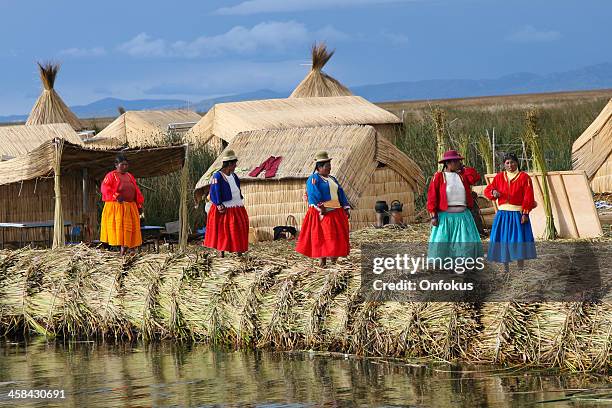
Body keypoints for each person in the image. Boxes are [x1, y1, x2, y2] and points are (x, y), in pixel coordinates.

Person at [427, 150, 483, 267]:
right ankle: (444, 269)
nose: (459, 163)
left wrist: (464, 168)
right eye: (456, 161)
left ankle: (463, 266)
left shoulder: (462, 176)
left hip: (463, 216)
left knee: (465, 244)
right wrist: (433, 215)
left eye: (459, 161)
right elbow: (432, 197)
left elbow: (475, 178)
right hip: (445, 217)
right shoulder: (438, 177)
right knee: (443, 244)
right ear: (448, 163)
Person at [296, 151, 351, 267]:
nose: (329, 168)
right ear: (319, 167)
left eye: (330, 166)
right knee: (325, 237)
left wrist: (345, 207)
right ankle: (323, 262)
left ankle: (334, 262)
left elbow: (340, 192)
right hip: (322, 212)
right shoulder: (314, 179)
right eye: (327, 166)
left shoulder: (332, 179)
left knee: (335, 237)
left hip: (336, 210)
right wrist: (321, 207)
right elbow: (313, 194)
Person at [484, 152, 537, 270]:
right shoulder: (499, 177)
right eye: (507, 163)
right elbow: (489, 189)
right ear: (504, 165)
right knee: (504, 241)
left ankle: (520, 268)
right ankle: (506, 268)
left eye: (512, 162)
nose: (510, 165)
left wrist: (525, 213)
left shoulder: (524, 177)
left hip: (517, 214)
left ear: (517, 162)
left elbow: (528, 196)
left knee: (518, 241)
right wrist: (493, 192)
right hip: (502, 215)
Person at [204, 150, 249, 256]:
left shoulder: (234, 176)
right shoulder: (218, 176)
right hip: (225, 208)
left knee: (239, 228)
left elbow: (237, 188)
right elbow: (214, 190)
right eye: (234, 164)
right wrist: (218, 204)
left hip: (237, 206)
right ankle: (222, 252)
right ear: (229, 164)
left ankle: (239, 252)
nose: (235, 166)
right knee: (224, 231)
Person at [100, 154, 144, 256]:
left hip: (130, 207)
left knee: (131, 230)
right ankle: (122, 253)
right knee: (122, 231)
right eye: (122, 164)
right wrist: (116, 196)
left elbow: (136, 191)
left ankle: (132, 251)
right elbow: (105, 188)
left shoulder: (130, 176)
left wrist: (139, 206)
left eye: (126, 165)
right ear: (116, 165)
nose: (125, 167)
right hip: (118, 207)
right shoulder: (111, 175)